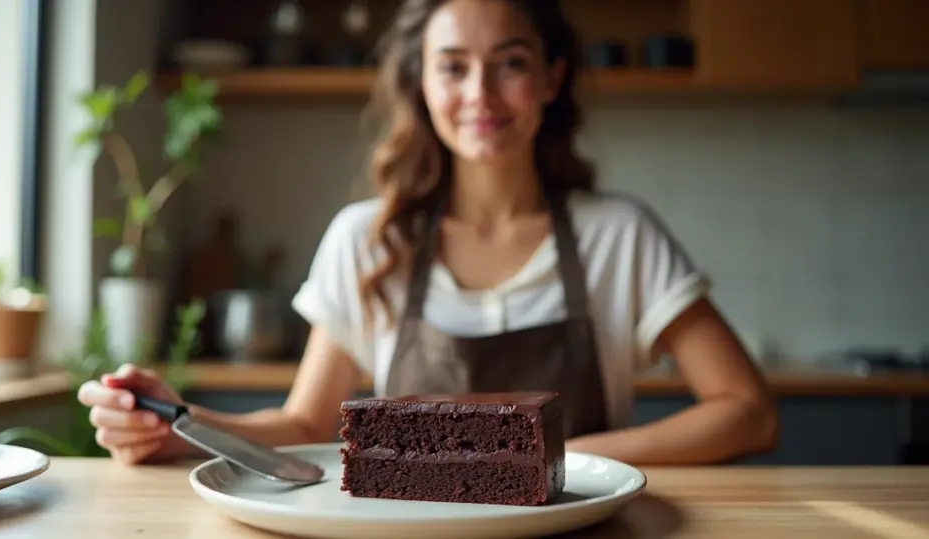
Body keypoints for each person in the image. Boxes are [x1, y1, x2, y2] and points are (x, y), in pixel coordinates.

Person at [78, 0, 778, 466]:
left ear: (551, 78)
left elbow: (747, 411)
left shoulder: (621, 235)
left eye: (510, 62)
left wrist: (574, 461)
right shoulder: (367, 240)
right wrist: (177, 421)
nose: (480, 93)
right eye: (453, 66)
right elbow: (303, 427)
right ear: (421, 83)